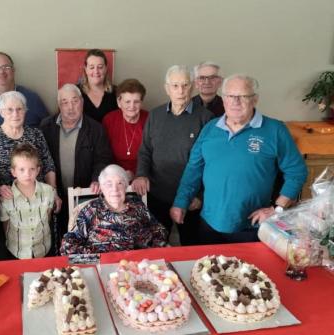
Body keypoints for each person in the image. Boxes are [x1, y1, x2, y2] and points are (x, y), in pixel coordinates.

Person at [171, 74, 308, 244]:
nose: (235, 102)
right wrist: (180, 202)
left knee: (247, 271)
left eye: (243, 96)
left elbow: (297, 171)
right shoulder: (210, 128)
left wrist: (277, 209)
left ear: (254, 99)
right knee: (206, 269)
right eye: (230, 96)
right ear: (224, 99)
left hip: (251, 227)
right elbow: (194, 168)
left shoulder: (275, 130)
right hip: (209, 223)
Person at [132, 65, 213, 244]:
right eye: (175, 86)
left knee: (191, 248)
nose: (181, 91)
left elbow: (211, 164)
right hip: (158, 195)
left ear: (191, 87)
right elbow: (145, 150)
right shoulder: (155, 115)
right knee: (155, 247)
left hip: (190, 199)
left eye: (185, 85)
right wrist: (141, 174)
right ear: (167, 88)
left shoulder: (206, 118)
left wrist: (200, 196)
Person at [0, 90, 59, 259]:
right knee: (12, 247)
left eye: (20, 109)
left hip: (38, 201)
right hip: (7, 202)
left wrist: (53, 191)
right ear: (1, 112)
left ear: (25, 111)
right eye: (10, 110)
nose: (15, 114)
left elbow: (48, 164)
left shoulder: (35, 135)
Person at [40, 83, 112, 238]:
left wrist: (96, 178)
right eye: (65, 103)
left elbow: (103, 158)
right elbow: (41, 160)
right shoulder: (46, 127)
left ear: (82, 102)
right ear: (59, 105)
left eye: (75, 101)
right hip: (55, 194)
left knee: (83, 236)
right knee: (57, 237)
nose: (70, 107)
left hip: (84, 195)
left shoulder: (95, 129)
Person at [60, 164, 167, 255]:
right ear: (101, 188)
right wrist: (96, 258)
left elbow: (159, 231)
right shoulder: (91, 210)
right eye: (108, 184)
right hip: (102, 268)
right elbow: (68, 244)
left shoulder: (137, 206)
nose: (114, 189)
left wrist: (151, 256)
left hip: (139, 267)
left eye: (120, 183)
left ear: (125, 186)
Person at [0, 144, 55, 259]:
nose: (27, 174)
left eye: (32, 169)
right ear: (13, 172)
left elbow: (47, 217)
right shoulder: (6, 197)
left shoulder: (48, 191)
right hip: (17, 251)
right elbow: (6, 226)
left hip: (43, 249)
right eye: (22, 169)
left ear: (38, 170)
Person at [102, 78, 148, 182]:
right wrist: (118, 174)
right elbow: (103, 154)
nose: (132, 106)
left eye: (136, 101)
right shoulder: (109, 120)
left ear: (141, 102)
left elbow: (152, 155)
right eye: (127, 101)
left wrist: (137, 174)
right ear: (119, 102)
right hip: (113, 177)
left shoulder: (149, 120)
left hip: (142, 177)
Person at [78, 49, 118, 122]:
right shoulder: (76, 92)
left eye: (100, 67)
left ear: (105, 68)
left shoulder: (116, 92)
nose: (96, 71)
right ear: (86, 69)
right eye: (91, 67)